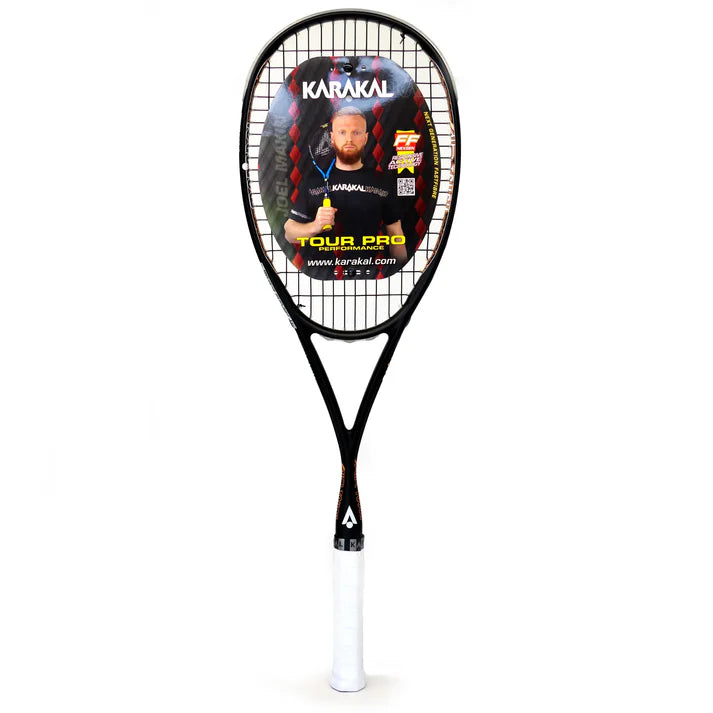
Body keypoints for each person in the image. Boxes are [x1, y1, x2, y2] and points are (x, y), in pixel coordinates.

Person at [284, 107, 407, 278]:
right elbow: (289, 233)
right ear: (332, 138)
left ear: (365, 138)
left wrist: (403, 273)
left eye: (356, 132)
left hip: (369, 277)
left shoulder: (382, 182)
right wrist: (315, 226)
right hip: (322, 277)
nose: (349, 139)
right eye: (342, 132)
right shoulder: (314, 181)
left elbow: (396, 234)